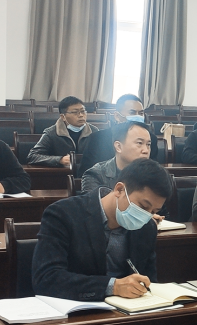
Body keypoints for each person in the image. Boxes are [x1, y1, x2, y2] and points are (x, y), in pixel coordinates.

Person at [32, 159, 171, 301]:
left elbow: (149, 281)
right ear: (119, 190)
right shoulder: (63, 214)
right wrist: (113, 286)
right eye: (143, 206)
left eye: (153, 211)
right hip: (76, 307)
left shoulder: (147, 228)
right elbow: (46, 279)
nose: (146, 216)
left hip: (129, 309)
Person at [80, 94, 164, 174]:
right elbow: (86, 172)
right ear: (117, 116)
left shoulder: (150, 138)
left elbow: (152, 169)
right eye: (132, 112)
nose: (137, 116)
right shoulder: (97, 138)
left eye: (141, 113)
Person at [81, 121, 153, 194]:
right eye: (139, 143)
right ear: (119, 147)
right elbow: (92, 201)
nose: (146, 150)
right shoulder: (96, 175)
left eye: (148, 144)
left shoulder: (154, 174)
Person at [28, 96, 97, 167]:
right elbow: (33, 156)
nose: (81, 115)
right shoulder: (52, 133)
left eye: (83, 111)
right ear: (63, 117)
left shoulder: (94, 131)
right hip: (62, 172)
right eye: (75, 112)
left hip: (89, 171)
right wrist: (60, 160)